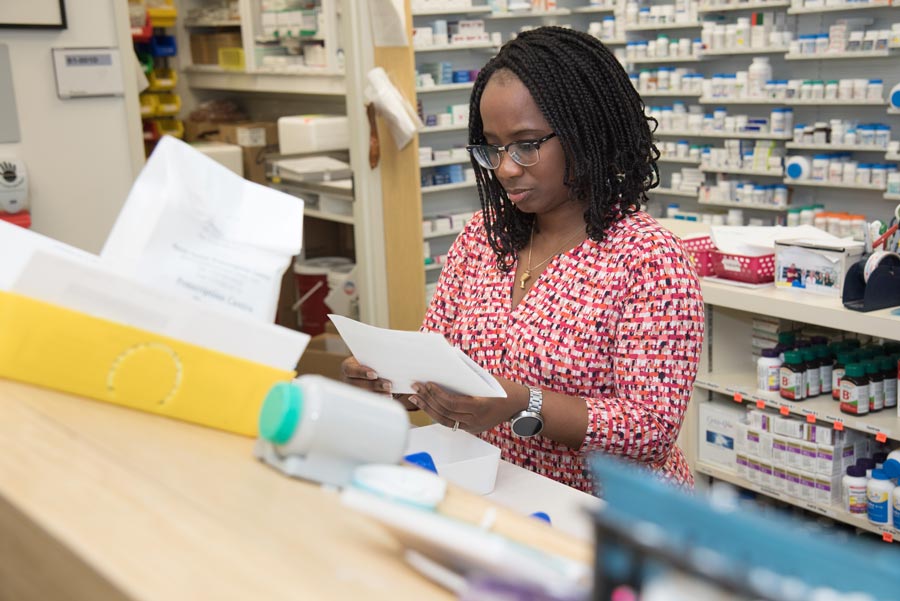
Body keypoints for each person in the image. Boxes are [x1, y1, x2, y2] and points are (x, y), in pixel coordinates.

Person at [342, 26, 704, 494]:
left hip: (613, 519)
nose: (506, 168)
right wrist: (390, 380)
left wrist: (523, 405)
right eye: (492, 147)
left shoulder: (649, 260)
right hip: (502, 493)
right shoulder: (483, 237)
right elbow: (441, 365)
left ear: (586, 134)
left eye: (527, 145)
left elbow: (651, 428)